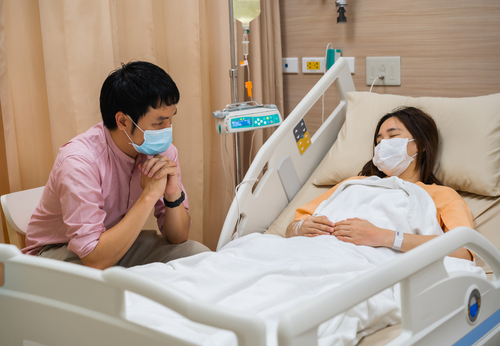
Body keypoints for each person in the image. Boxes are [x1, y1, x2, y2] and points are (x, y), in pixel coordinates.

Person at [22, 61, 210, 269]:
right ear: (122, 122)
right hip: (60, 252)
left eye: (170, 120)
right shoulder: (79, 162)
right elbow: (94, 259)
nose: (168, 129)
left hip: (114, 243)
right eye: (159, 122)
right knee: (113, 291)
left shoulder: (163, 152)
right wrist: (148, 196)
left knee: (197, 255)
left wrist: (172, 195)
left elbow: (178, 237)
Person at [286, 106, 473, 261]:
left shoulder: (441, 195)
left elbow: (463, 253)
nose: (383, 144)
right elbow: (291, 228)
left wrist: (383, 236)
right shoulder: (354, 183)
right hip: (310, 254)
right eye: (379, 140)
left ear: (421, 144)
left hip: (368, 264)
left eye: (393, 136)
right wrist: (301, 228)